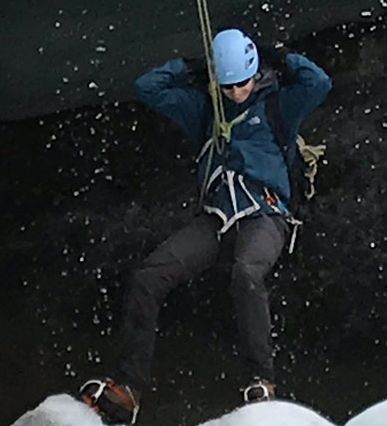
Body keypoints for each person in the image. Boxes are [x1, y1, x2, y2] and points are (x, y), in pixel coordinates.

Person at [78, 28, 332, 424]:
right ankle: (128, 388)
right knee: (148, 277)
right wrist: (192, 69)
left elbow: (319, 83)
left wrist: (280, 57)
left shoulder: (278, 106)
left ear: (255, 74)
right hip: (214, 221)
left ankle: (261, 383)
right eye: (228, 85)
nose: (237, 92)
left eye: (243, 82)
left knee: (246, 274)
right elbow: (147, 88)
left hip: (265, 216)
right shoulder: (204, 109)